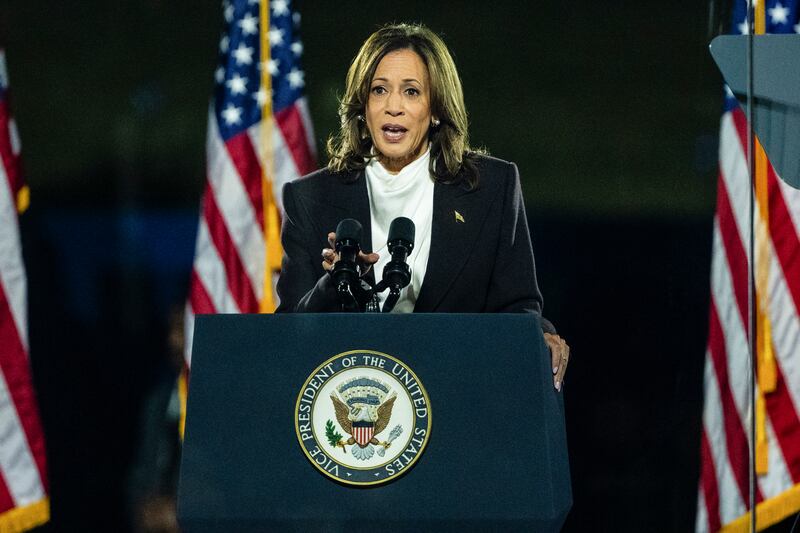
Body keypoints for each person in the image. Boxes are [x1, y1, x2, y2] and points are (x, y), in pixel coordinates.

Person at [276, 23, 570, 391]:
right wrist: (334, 283)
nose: (393, 107)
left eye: (411, 92)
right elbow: (287, 334)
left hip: (457, 395)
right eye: (379, 90)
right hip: (352, 406)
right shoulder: (310, 198)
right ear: (362, 106)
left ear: (435, 109)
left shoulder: (491, 187)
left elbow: (517, 305)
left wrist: (538, 335)